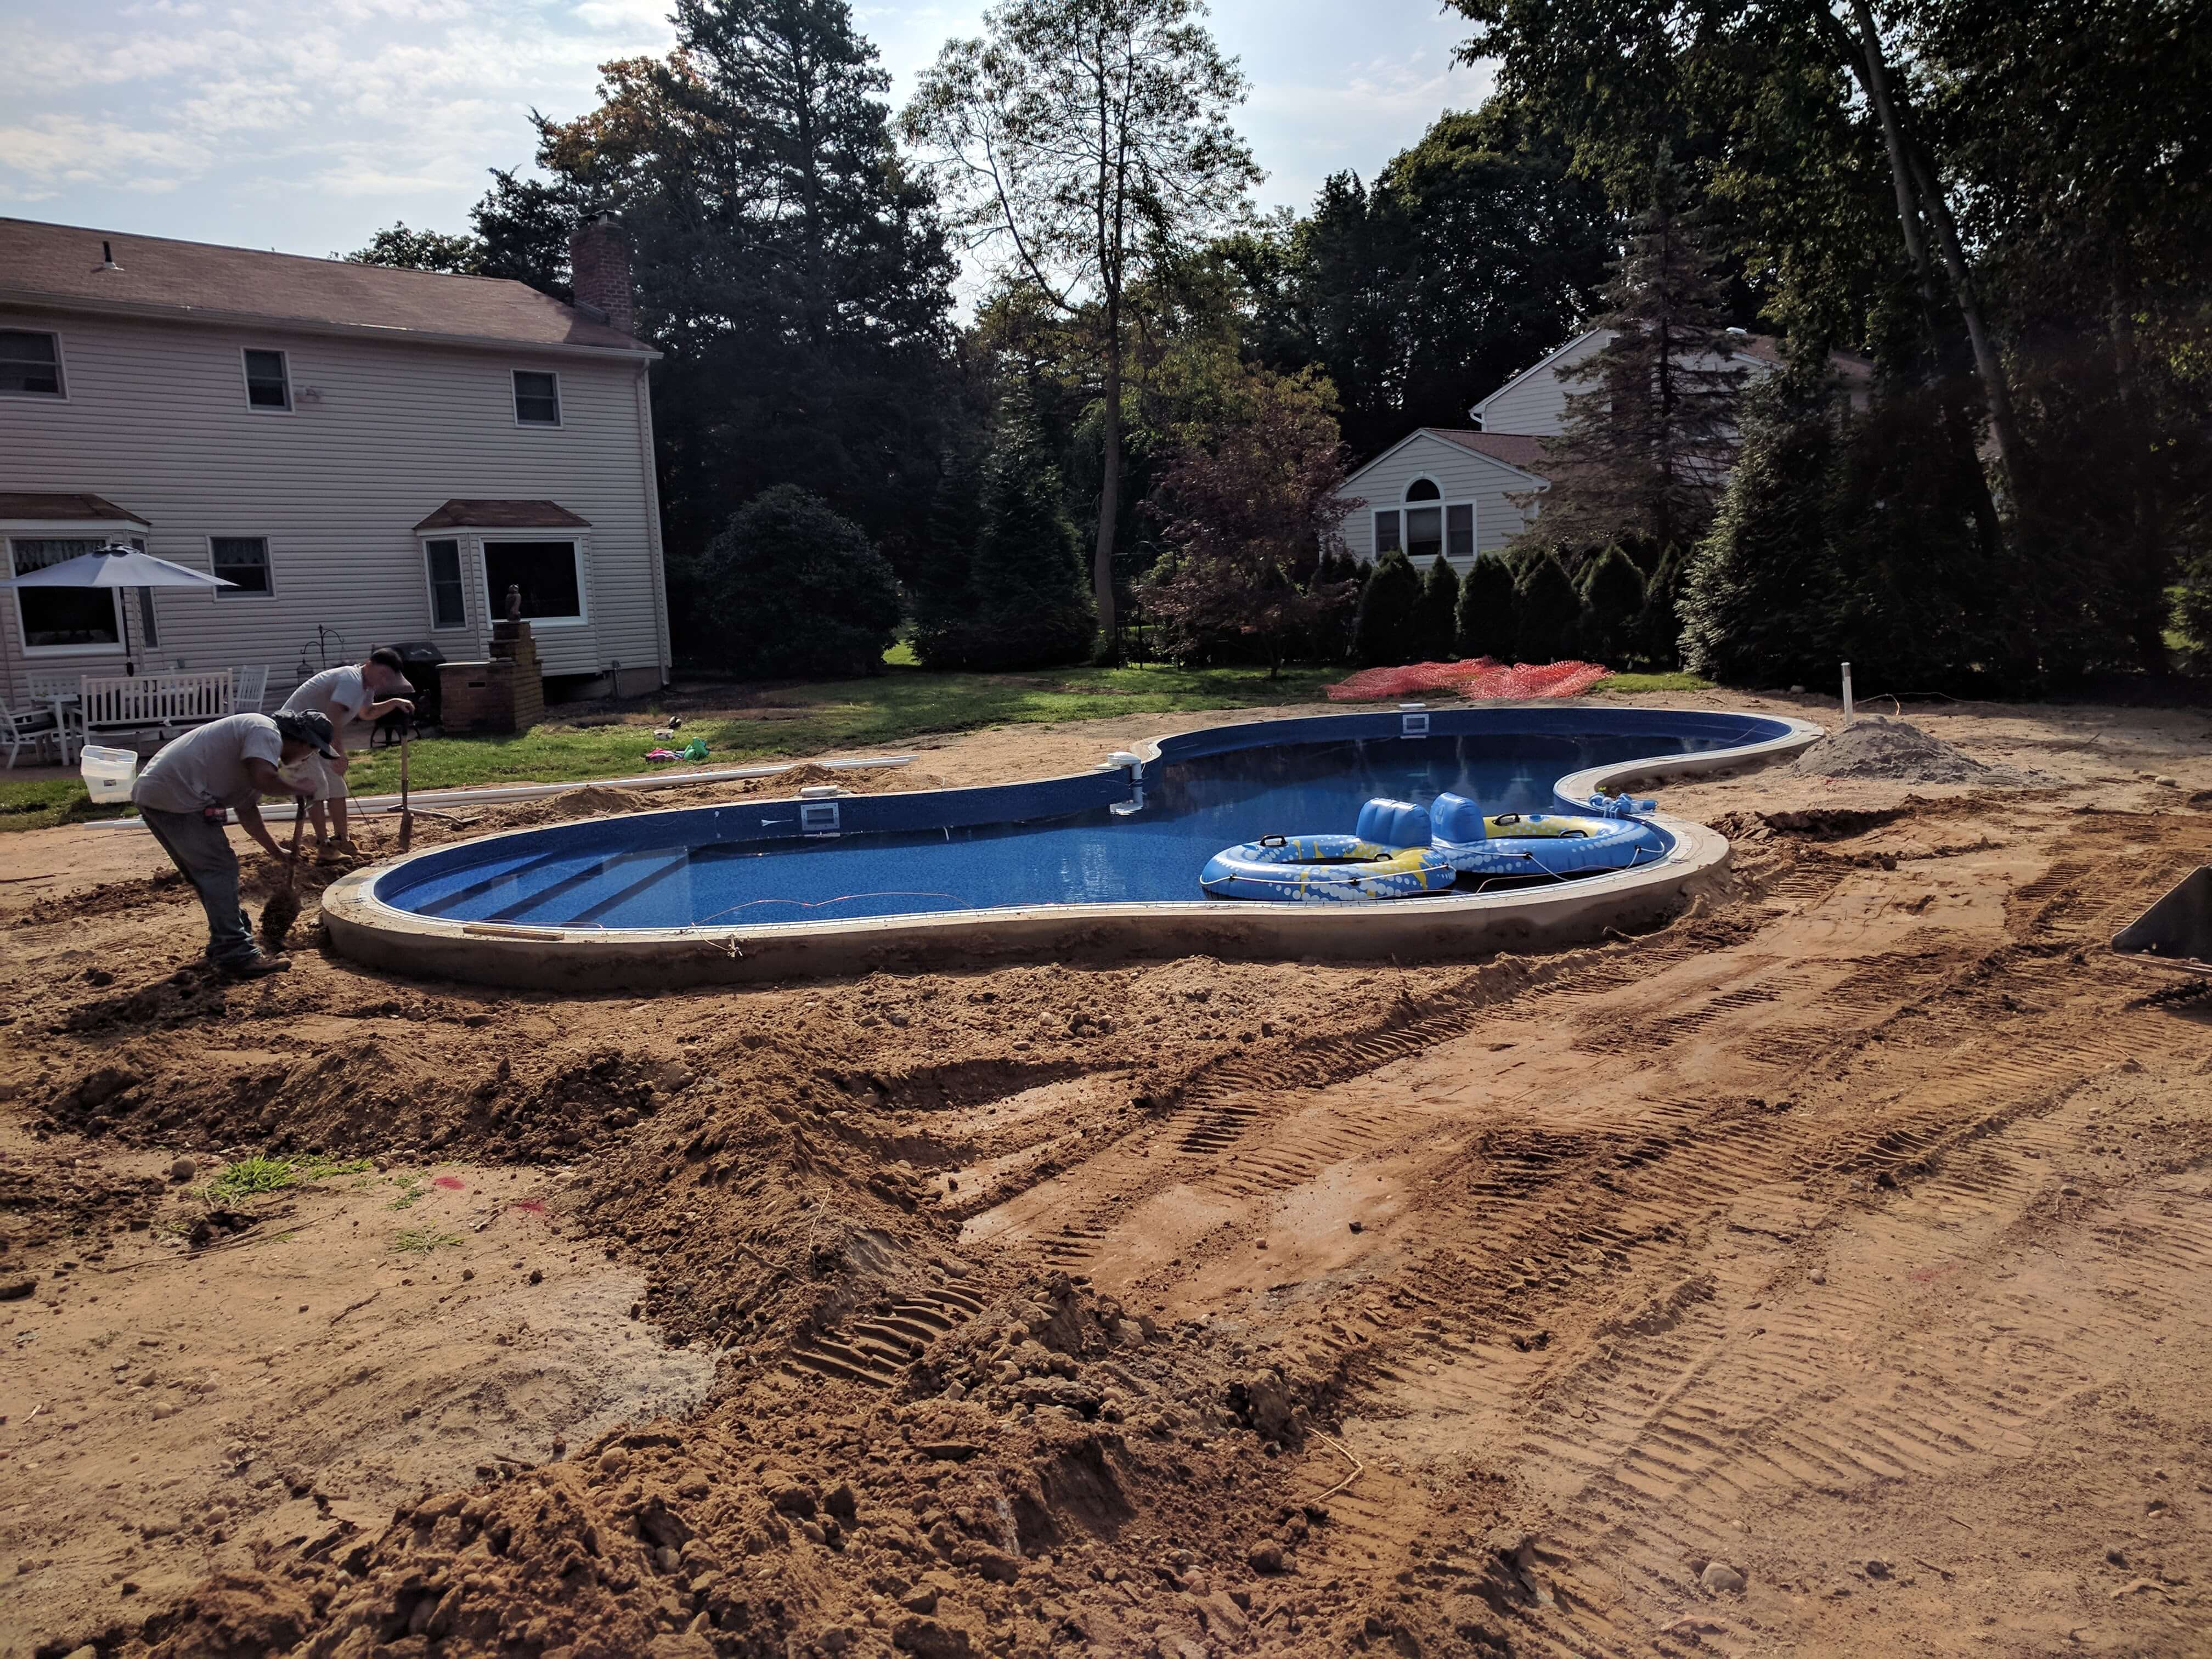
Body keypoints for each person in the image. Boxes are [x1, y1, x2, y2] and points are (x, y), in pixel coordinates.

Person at [131, 710, 338, 978]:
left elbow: (247, 810)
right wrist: (299, 788)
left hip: (158, 795)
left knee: (206, 875)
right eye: (312, 751)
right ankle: (236, 954)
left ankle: (227, 941)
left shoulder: (256, 755)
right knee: (220, 870)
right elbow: (265, 780)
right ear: (303, 741)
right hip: (178, 797)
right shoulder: (265, 731)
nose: (308, 758)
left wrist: (275, 851)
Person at [277, 647, 416, 857]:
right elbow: (333, 718)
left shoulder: (366, 687)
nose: (383, 681)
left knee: (337, 786)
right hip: (295, 736)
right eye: (382, 674)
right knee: (316, 787)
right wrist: (340, 754)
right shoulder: (351, 679)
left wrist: (394, 703)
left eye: (388, 678)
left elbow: (367, 712)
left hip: (317, 737)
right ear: (369, 664)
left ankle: (342, 841)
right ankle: (325, 847)